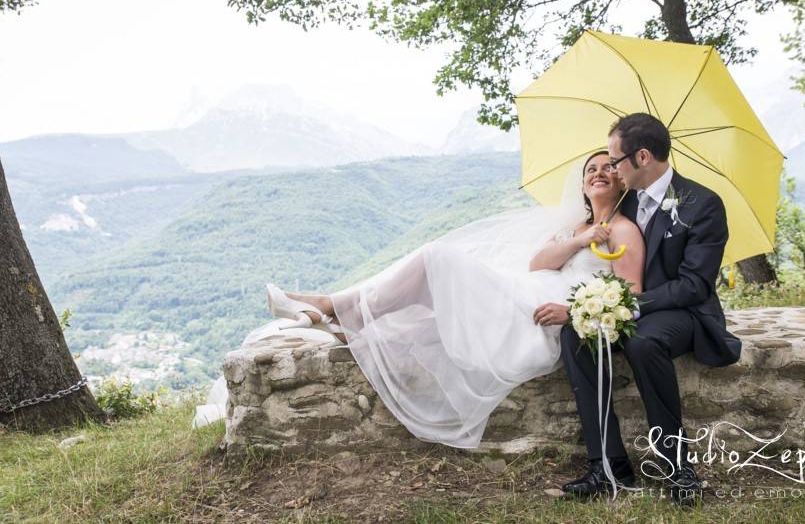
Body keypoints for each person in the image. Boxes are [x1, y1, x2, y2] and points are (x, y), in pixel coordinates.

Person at [260, 150, 645, 450]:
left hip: (545, 313)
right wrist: (579, 240)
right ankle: (344, 319)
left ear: (623, 180)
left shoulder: (624, 231)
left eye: (609, 167)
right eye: (591, 168)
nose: (599, 172)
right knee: (431, 307)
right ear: (581, 184)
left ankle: (332, 307)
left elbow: (631, 297)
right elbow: (537, 263)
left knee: (437, 260)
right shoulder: (574, 228)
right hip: (528, 289)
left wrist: (573, 313)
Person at [559, 113, 742, 507]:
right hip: (636, 308)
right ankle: (608, 465)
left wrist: (625, 305)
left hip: (684, 313)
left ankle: (676, 465)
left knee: (642, 343)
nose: (611, 169)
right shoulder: (624, 199)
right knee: (574, 333)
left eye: (615, 160)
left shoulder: (702, 203)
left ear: (642, 157)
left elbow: (695, 284)